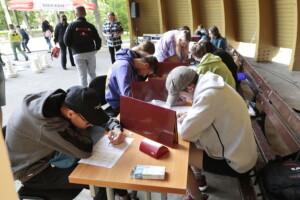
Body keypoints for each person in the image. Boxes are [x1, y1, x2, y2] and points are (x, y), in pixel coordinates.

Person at [5, 85, 135, 200]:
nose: (90, 124)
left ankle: (123, 195)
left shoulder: (62, 100)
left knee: (108, 166)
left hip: (48, 153)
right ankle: (121, 194)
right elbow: (84, 150)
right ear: (71, 114)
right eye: (88, 122)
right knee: (101, 179)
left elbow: (100, 118)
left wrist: (116, 128)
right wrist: (81, 127)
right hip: (34, 172)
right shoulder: (48, 125)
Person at [165, 67, 258, 200]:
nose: (182, 98)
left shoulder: (207, 96)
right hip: (244, 154)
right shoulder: (211, 83)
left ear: (190, 88)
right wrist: (189, 115)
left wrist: (181, 122)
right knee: (190, 139)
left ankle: (196, 197)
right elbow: (212, 113)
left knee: (179, 155)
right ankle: (198, 179)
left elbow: (185, 133)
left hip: (236, 164)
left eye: (181, 95)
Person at [105, 50, 158, 116]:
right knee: (149, 113)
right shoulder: (124, 67)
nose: (144, 75)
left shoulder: (131, 65)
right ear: (146, 65)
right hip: (117, 104)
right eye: (147, 73)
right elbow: (127, 94)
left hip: (121, 100)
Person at [64, 6, 102, 87]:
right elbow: (98, 40)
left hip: (78, 54)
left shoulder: (71, 25)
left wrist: (73, 48)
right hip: (91, 52)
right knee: (92, 74)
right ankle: (94, 91)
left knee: (82, 75)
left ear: (76, 15)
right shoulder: (91, 26)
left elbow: (66, 40)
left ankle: (84, 95)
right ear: (85, 13)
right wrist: (97, 48)